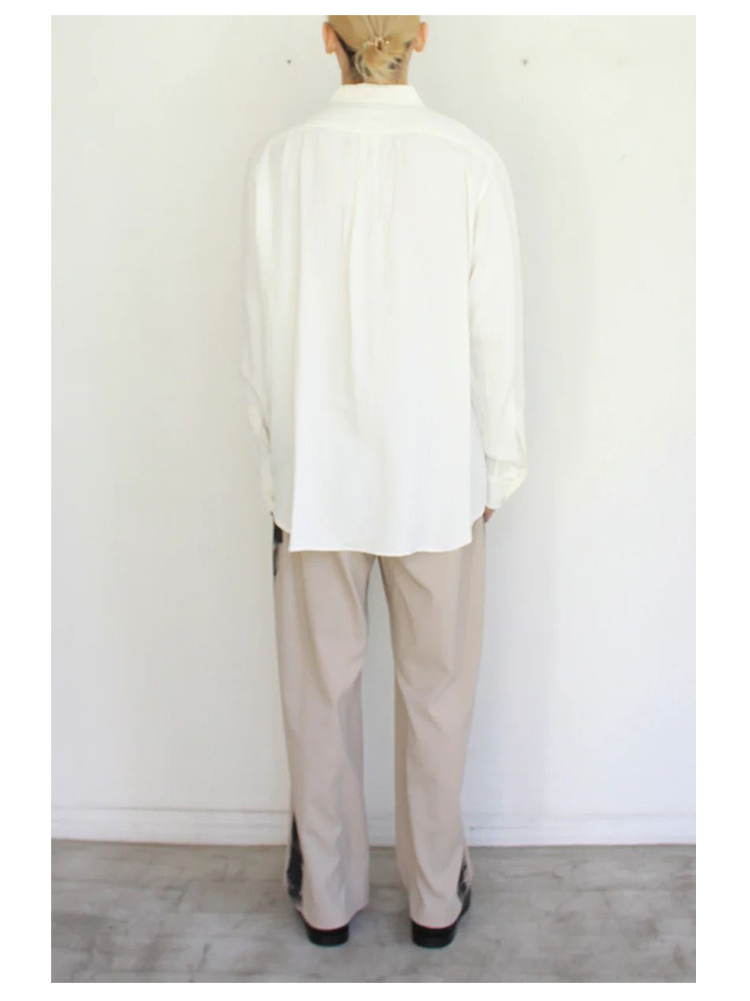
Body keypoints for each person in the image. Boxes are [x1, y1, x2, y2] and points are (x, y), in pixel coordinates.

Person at [241, 15, 527, 949]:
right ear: (422, 38)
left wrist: (275, 464)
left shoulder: (282, 161)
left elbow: (259, 334)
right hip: (438, 477)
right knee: (438, 697)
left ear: (328, 38)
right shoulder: (469, 159)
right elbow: (495, 333)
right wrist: (500, 463)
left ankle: (326, 899)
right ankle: (435, 899)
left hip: (316, 479)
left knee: (317, 697)